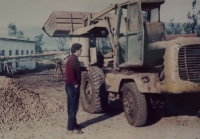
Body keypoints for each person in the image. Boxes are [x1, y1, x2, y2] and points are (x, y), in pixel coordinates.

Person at [65, 43, 88, 134]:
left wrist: (85, 69)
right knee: (72, 106)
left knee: (74, 105)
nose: (81, 51)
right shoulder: (72, 59)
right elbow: (70, 73)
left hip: (72, 85)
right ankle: (70, 128)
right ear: (77, 50)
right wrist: (75, 83)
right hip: (72, 85)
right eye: (81, 49)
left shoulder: (73, 58)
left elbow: (77, 68)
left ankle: (74, 124)